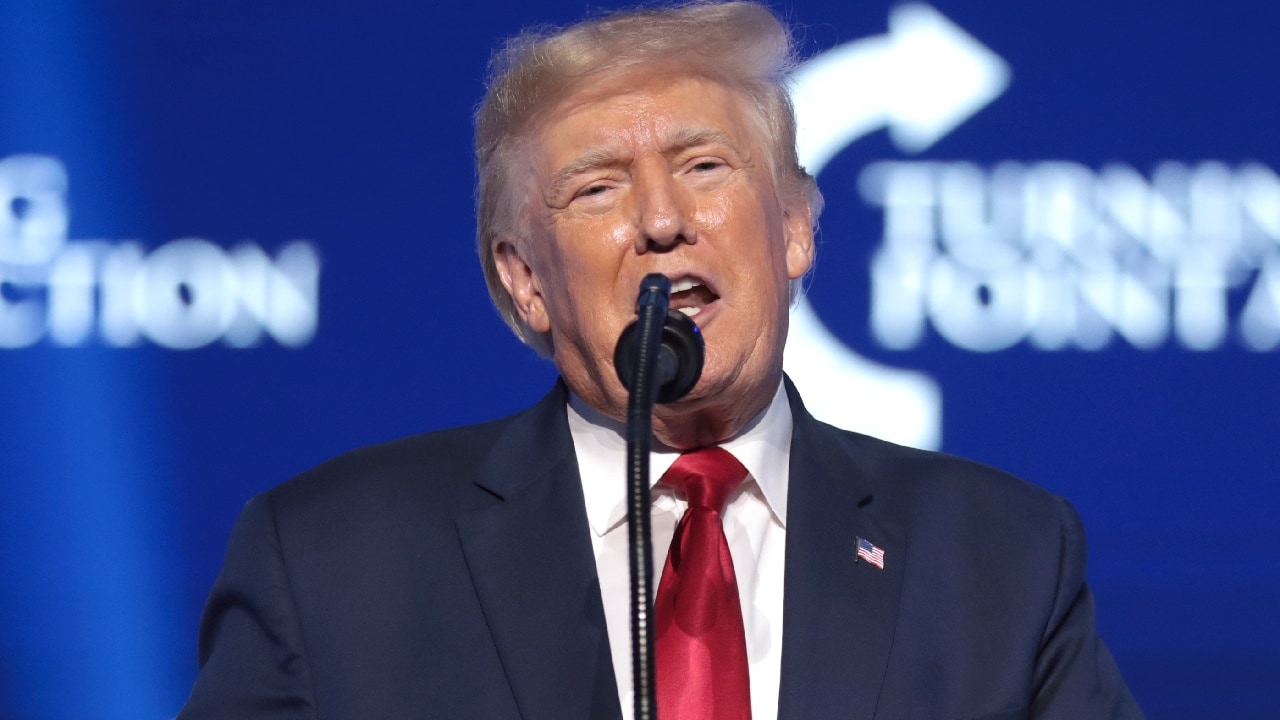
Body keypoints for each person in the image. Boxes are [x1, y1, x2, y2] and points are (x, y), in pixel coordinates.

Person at [178, 2, 1144, 718]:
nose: (662, 220)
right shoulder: (331, 560)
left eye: (704, 166)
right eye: (597, 189)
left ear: (797, 229)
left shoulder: (1001, 559)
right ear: (526, 281)